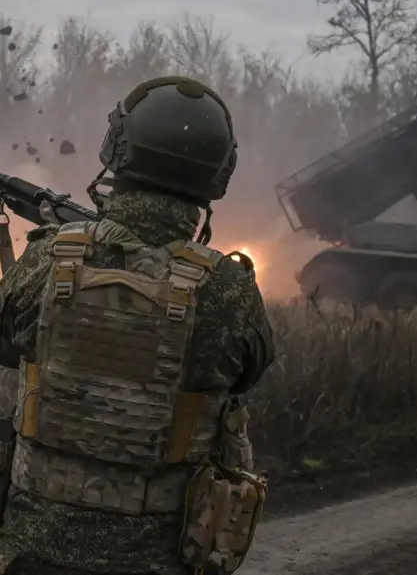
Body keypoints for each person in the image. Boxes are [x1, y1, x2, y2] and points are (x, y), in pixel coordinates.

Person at [0, 76, 275, 575]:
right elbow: (249, 372)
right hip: (159, 558)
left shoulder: (46, 259)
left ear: (117, 150)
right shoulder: (230, 291)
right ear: (217, 173)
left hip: (32, 550)